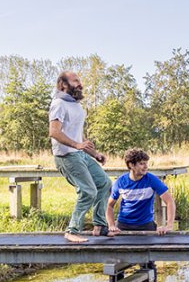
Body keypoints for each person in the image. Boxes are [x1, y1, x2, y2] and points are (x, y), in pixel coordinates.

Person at [49, 71, 112, 243]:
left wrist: (94, 153)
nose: (80, 84)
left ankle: (99, 226)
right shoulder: (59, 104)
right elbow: (54, 132)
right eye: (75, 81)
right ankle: (72, 230)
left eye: (80, 81)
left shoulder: (76, 106)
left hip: (80, 155)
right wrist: (77, 146)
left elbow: (78, 137)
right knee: (88, 190)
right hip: (66, 156)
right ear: (63, 85)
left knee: (104, 183)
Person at [107, 148, 176, 235]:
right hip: (123, 225)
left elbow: (169, 201)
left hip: (146, 225)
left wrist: (169, 226)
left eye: (146, 163)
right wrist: (111, 225)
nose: (146, 166)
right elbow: (109, 206)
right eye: (141, 164)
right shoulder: (120, 182)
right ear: (131, 165)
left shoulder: (152, 180)